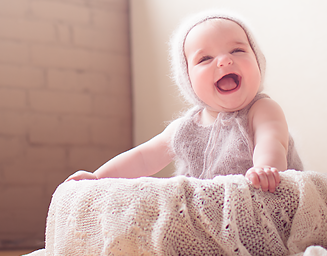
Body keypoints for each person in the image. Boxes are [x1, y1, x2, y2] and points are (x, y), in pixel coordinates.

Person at [66, 11, 302, 192]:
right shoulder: (186, 127)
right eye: (205, 58)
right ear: (188, 80)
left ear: (258, 61)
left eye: (237, 51)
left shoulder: (262, 110)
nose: (224, 61)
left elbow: (271, 140)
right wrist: (98, 178)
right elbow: (143, 158)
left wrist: (265, 168)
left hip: (260, 200)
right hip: (208, 214)